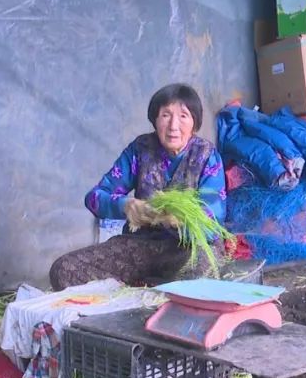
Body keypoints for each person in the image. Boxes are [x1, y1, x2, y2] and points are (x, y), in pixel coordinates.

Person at [49, 83, 228, 291]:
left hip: (186, 249)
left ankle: (154, 292)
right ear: (155, 120)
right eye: (166, 115)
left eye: (183, 116)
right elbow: (95, 197)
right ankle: (146, 290)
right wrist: (127, 206)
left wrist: (180, 220)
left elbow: (213, 222)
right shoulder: (140, 150)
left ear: (194, 123)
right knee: (64, 270)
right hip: (140, 247)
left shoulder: (206, 155)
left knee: (203, 270)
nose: (173, 126)